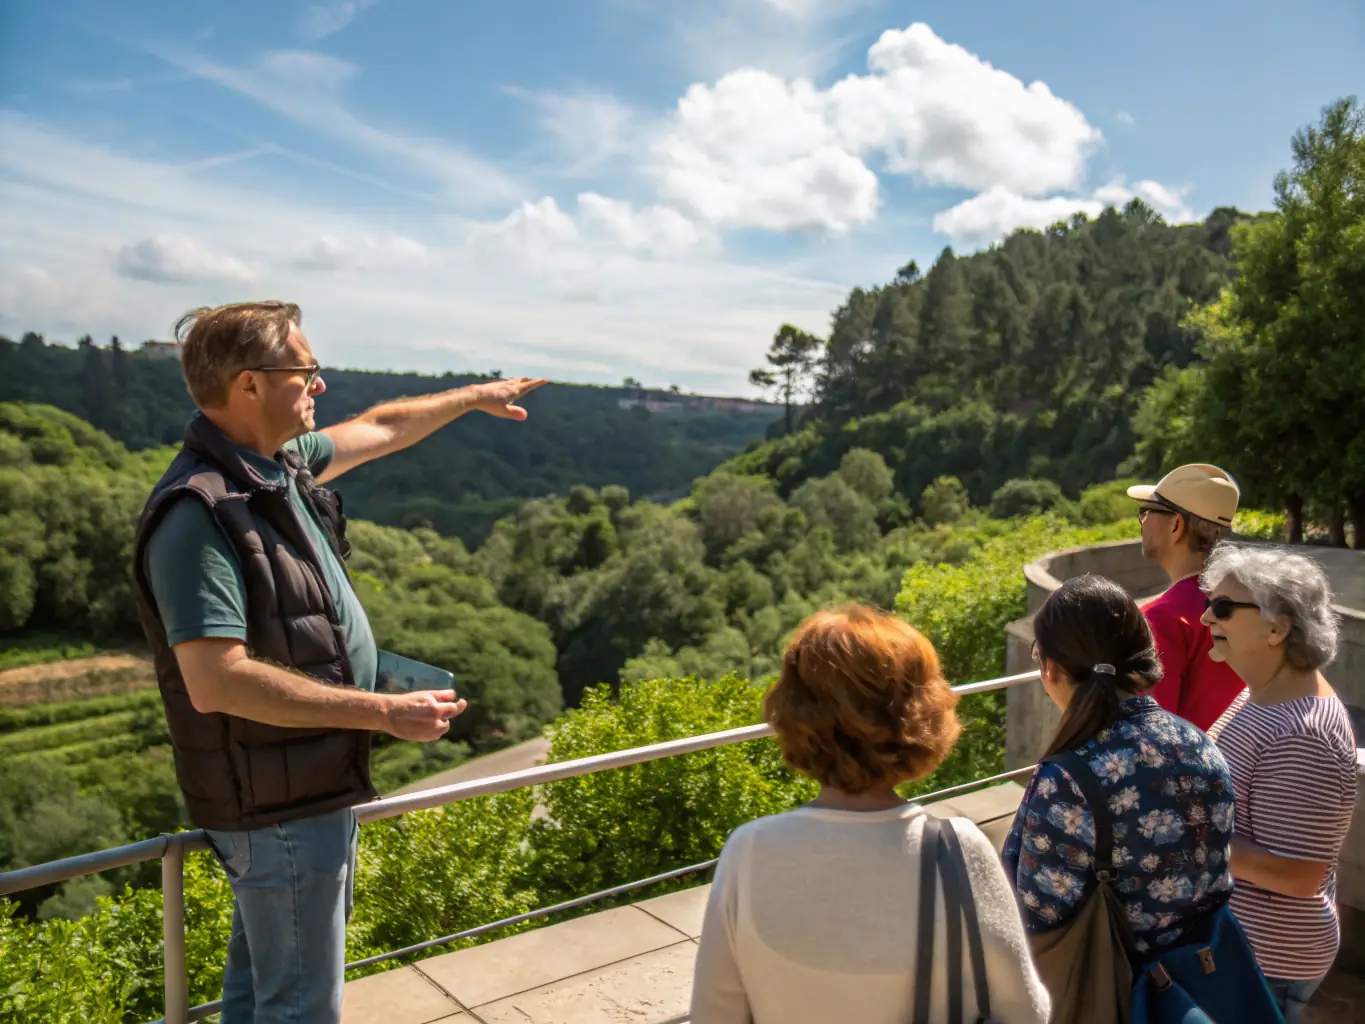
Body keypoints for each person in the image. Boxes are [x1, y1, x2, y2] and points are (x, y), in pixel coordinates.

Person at [130, 301, 547, 1024]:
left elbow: (385, 426)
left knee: (260, 992)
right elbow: (215, 680)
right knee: (299, 1009)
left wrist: (478, 396)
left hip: (300, 785)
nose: (318, 386)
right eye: (306, 371)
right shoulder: (198, 512)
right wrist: (383, 712)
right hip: (276, 805)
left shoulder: (278, 467)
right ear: (250, 384)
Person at [690, 604, 1050, 1024]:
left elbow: (713, 1016)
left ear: (792, 713)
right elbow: (1028, 1013)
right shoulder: (959, 851)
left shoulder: (748, 853)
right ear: (923, 713)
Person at [1003, 575, 1236, 981]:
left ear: (1053, 668)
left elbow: (1033, 918)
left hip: (1114, 993)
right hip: (1196, 981)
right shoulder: (1201, 745)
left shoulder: (1066, 779)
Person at [1202, 544, 1357, 1022]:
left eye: (1224, 608)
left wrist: (1185, 835)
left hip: (1264, 958)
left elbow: (1299, 874)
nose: (1207, 618)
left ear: (1278, 628)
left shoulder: (1300, 734)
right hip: (1246, 948)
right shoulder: (1265, 693)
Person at [1126, 463, 1246, 730]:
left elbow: (1151, 734)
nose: (1143, 521)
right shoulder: (1252, 602)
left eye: (1147, 511)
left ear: (1176, 525)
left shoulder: (1162, 617)